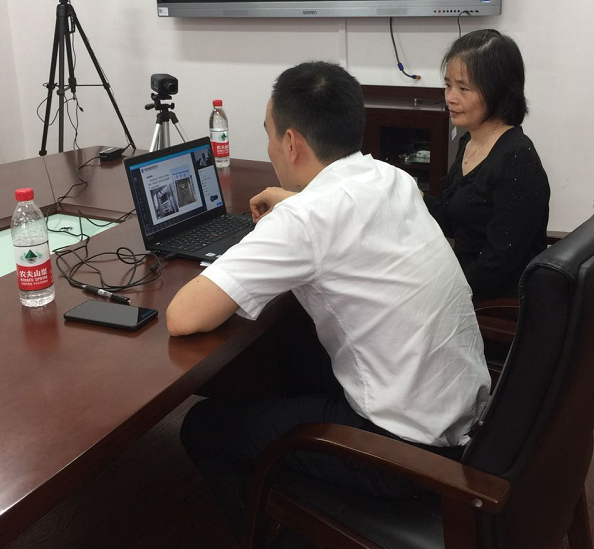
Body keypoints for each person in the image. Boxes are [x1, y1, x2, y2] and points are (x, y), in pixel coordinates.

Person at [166, 61, 490, 545]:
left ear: (291, 143)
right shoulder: (392, 178)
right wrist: (295, 203)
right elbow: (335, 216)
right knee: (288, 353)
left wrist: (289, 218)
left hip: (401, 450)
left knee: (202, 427)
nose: (270, 147)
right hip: (463, 417)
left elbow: (183, 317)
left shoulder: (305, 219)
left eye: (269, 135)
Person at [424, 30, 550, 302]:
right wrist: (415, 196)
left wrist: (445, 292)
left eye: (463, 88)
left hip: (496, 301)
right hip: (465, 281)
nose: (450, 97)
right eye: (448, 85)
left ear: (498, 91)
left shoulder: (517, 159)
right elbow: (456, 221)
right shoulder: (469, 141)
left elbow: (499, 263)